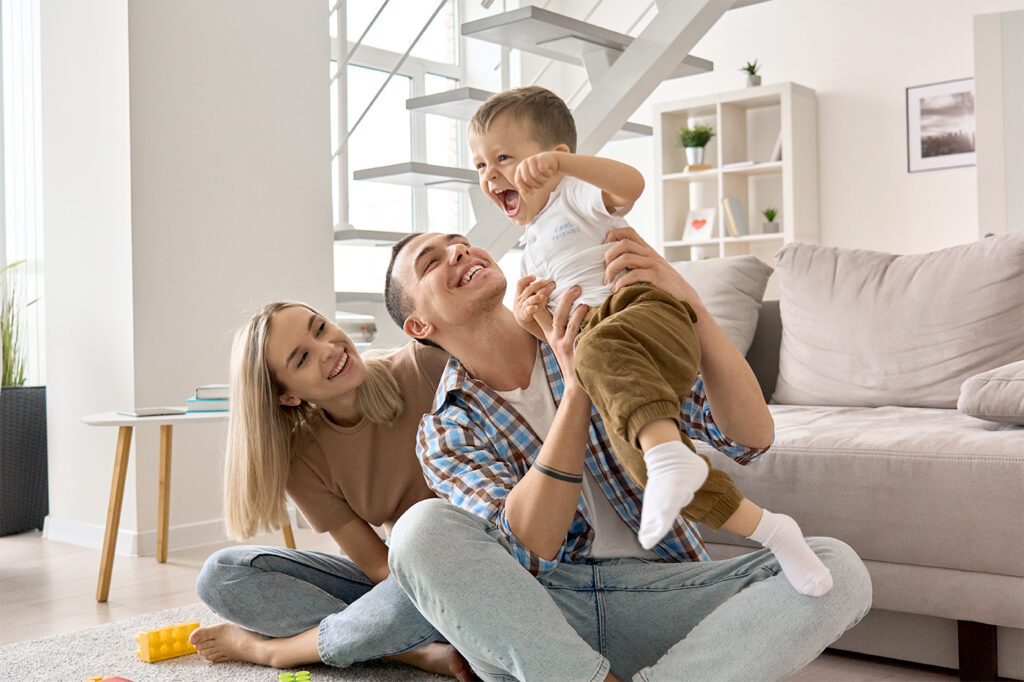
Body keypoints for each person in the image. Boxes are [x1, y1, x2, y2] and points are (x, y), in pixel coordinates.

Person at [382, 228, 872, 680]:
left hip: (665, 596)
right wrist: (575, 387)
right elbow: (532, 546)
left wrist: (691, 304)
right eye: (431, 262)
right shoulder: (445, 430)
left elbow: (749, 437)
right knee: (418, 531)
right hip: (546, 620)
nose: (458, 252)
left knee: (839, 569)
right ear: (418, 326)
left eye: (460, 241)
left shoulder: (599, 331)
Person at [465, 85, 830, 595]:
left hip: (642, 312)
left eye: (503, 157)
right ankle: (773, 531)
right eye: (480, 165)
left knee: (598, 351)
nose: (491, 175)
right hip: (599, 346)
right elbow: (568, 347)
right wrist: (541, 326)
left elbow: (630, 184)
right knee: (644, 465)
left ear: (555, 158)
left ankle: (668, 461)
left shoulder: (574, 195)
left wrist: (565, 167)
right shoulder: (527, 253)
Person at [187, 301, 470, 679]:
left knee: (436, 589)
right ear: (287, 396)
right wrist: (403, 604)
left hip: (482, 562)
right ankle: (412, 652)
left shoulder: (425, 364)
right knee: (220, 576)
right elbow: (379, 567)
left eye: (320, 328)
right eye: (302, 358)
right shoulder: (302, 459)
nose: (329, 349)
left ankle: (273, 652)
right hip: (410, 579)